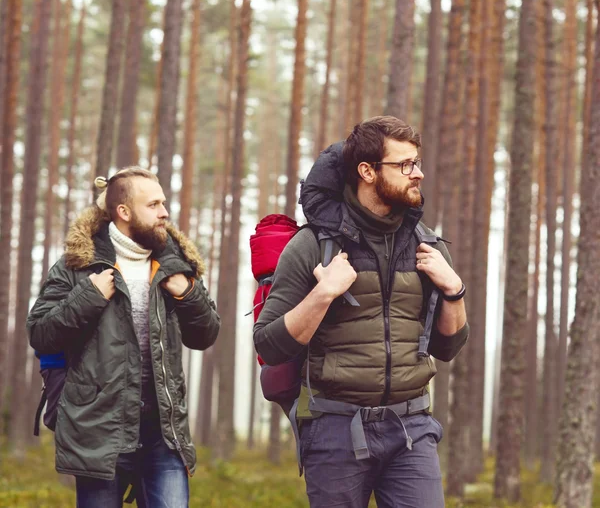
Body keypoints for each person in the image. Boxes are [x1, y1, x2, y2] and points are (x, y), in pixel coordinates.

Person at [254, 116, 469, 508]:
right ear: (367, 171)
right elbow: (269, 345)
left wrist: (454, 290)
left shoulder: (427, 246)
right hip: (336, 429)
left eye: (417, 163)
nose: (417, 173)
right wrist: (323, 294)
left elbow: (448, 347)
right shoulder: (311, 246)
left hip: (412, 429)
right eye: (404, 165)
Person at [28, 167, 220, 508]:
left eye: (164, 202)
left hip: (163, 433)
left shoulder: (175, 264)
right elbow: (41, 334)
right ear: (124, 212)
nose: (165, 212)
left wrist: (187, 293)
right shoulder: (78, 266)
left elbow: (205, 335)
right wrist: (88, 296)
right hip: (100, 431)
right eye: (154, 204)